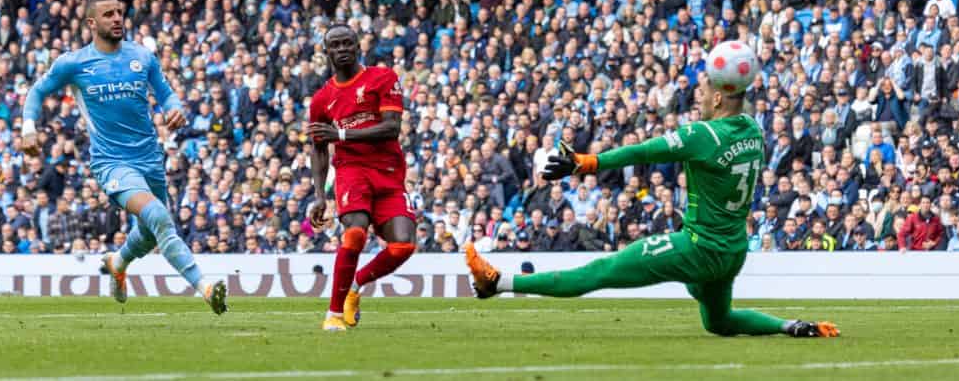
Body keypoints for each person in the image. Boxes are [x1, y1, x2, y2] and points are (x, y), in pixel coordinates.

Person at [465, 42, 839, 339]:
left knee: (599, 271)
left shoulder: (702, 135)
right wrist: (786, 325)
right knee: (719, 322)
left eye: (704, 89)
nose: (700, 95)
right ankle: (790, 325)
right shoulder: (754, 130)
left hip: (697, 247)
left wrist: (586, 162)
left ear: (719, 98)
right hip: (731, 251)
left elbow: (643, 151)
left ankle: (498, 282)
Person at [22, 0, 227, 314]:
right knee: (159, 216)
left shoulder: (142, 57)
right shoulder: (73, 64)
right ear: (92, 23)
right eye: (108, 15)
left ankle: (118, 262)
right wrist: (28, 127)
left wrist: (175, 108)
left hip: (150, 159)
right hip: (111, 162)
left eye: (119, 12)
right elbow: (37, 91)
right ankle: (205, 286)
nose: (117, 18)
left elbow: (166, 93)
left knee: (148, 234)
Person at [307, 23, 416, 332]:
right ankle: (333, 314)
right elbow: (319, 149)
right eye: (336, 45)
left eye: (347, 43)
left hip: (390, 173)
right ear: (326, 52)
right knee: (355, 233)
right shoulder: (321, 99)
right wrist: (319, 195)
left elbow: (391, 127)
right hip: (351, 172)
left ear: (358, 47)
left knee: (404, 245)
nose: (342, 49)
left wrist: (340, 132)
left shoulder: (383, 78)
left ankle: (355, 285)